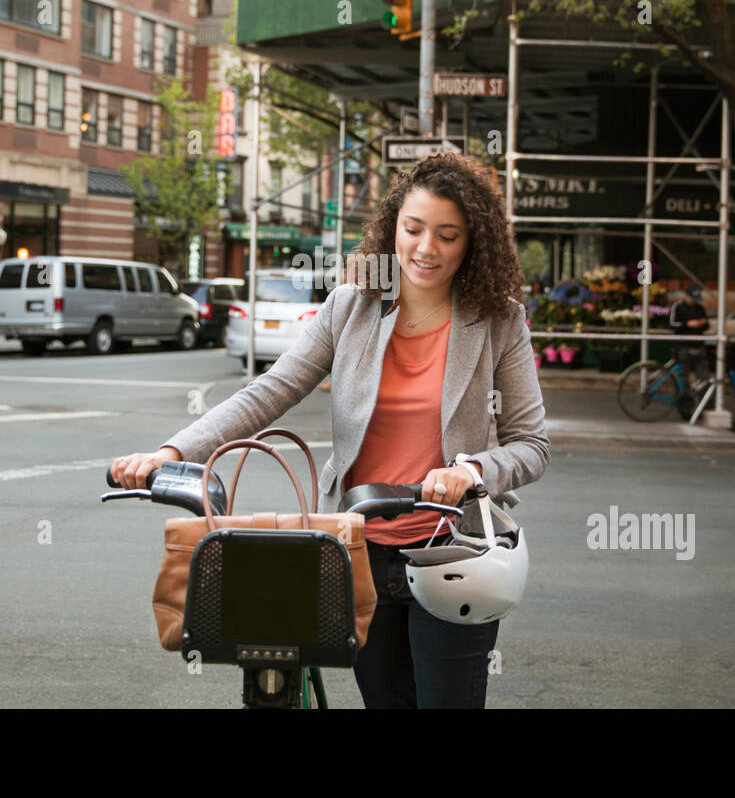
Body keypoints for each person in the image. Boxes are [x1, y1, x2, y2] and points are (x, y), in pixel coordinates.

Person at [111, 152, 550, 709]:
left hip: (454, 551)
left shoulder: (498, 320)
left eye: (447, 235)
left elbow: (532, 445)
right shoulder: (351, 307)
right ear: (393, 226)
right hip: (358, 548)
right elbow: (268, 392)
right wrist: (170, 452)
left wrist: (472, 470)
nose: (425, 248)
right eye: (413, 229)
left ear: (472, 243)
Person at [669, 283, 712, 397]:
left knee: (704, 377)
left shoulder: (700, 308)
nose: (694, 302)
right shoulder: (677, 307)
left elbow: (706, 325)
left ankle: (704, 401)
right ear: (686, 296)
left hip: (698, 346)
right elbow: (671, 324)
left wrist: (703, 323)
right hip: (683, 346)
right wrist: (687, 324)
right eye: (692, 299)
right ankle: (684, 401)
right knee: (684, 376)